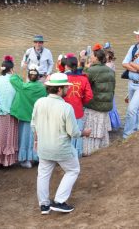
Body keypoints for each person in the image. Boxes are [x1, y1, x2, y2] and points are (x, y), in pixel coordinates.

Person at [32, 73, 92, 215]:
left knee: (43, 174)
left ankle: (44, 206)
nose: (68, 89)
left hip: (44, 146)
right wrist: (85, 132)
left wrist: (36, 141)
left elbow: (33, 125)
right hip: (61, 148)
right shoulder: (66, 107)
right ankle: (59, 201)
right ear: (59, 89)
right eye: (66, 87)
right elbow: (74, 133)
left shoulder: (39, 102)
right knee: (73, 170)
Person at [10, 65, 47, 168]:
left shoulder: (23, 87)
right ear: (39, 77)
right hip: (38, 118)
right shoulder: (43, 88)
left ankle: (25, 160)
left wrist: (19, 73)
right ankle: (37, 157)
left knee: (24, 139)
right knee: (37, 139)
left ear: (28, 76)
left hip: (25, 118)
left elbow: (13, 78)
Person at [83, 48, 116, 156]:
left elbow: (84, 86)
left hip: (94, 105)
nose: (90, 57)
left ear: (96, 58)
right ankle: (103, 149)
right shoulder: (110, 71)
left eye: (92, 55)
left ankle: (89, 151)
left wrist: (85, 68)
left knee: (91, 131)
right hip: (107, 105)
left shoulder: (91, 71)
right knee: (102, 131)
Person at [0, 56, 19, 167]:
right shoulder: (15, 80)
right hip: (10, 113)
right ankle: (6, 161)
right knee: (8, 138)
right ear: (11, 69)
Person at [62, 55, 93, 157]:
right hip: (78, 110)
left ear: (67, 66)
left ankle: (64, 153)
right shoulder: (83, 79)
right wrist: (81, 102)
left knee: (64, 132)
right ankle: (77, 153)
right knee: (77, 132)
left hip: (64, 110)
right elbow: (89, 96)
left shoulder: (63, 78)